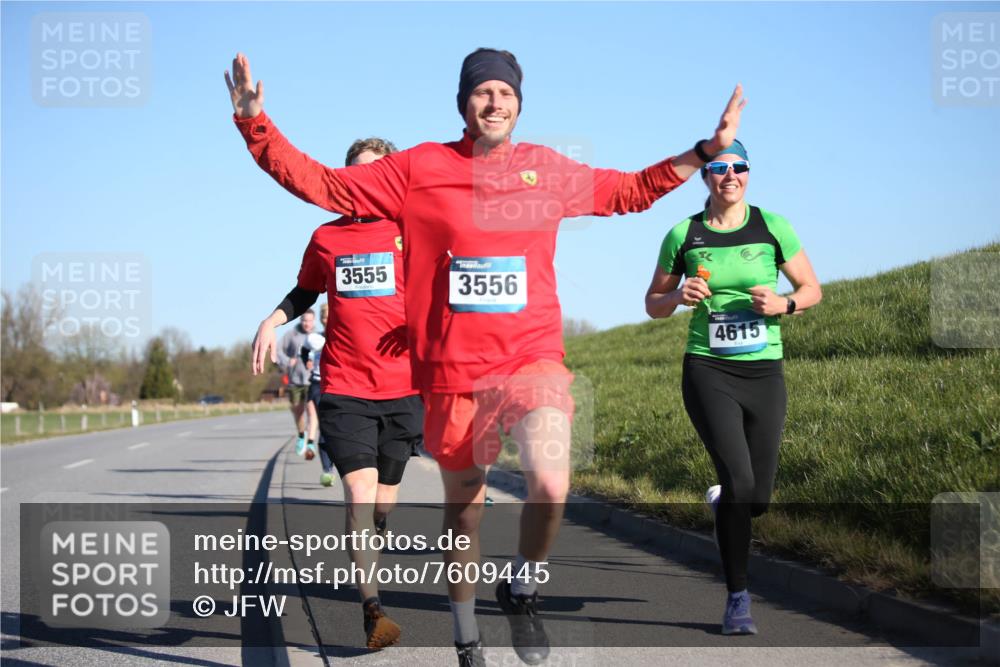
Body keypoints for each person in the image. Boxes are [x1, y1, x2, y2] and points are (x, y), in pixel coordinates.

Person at [227, 48, 745, 666]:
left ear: (519, 105)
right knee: (465, 517)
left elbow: (630, 191)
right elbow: (321, 183)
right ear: (463, 103)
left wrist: (702, 152)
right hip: (454, 375)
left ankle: (522, 586)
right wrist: (256, 124)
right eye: (482, 92)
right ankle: (466, 634)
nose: (495, 102)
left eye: (506, 93)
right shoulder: (419, 167)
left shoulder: (546, 169)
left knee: (550, 483)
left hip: (532, 359)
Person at [252, 137, 423, 650]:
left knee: (383, 502)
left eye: (376, 173)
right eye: (356, 175)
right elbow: (305, 290)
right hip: (346, 388)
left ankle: (374, 533)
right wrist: (272, 320)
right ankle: (373, 609)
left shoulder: (414, 230)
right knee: (359, 495)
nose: (365, 183)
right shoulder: (327, 238)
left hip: (404, 388)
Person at [644, 139, 821, 635]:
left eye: (738, 167)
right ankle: (738, 599)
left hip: (764, 372)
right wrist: (678, 296)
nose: (729, 176)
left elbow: (812, 289)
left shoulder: (772, 227)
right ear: (705, 177)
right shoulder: (684, 234)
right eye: (719, 168)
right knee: (740, 482)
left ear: (748, 173)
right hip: (708, 369)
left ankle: (727, 503)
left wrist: (784, 304)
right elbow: (652, 303)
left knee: (757, 497)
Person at [276, 308, 316, 457]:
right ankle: (301, 435)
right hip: (295, 381)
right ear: (301, 320)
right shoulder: (291, 335)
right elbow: (278, 351)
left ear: (314, 321)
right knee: (298, 411)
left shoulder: (317, 335)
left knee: (312, 412)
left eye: (310, 321)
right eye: (304, 320)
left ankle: (311, 442)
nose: (307, 323)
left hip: (312, 380)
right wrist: (287, 361)